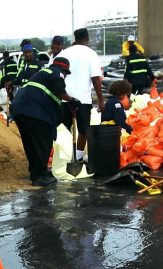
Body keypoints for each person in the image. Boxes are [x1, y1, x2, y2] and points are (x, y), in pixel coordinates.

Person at [13, 57, 77, 186]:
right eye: (66, 73)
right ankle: (39, 177)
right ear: (63, 69)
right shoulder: (56, 73)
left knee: (31, 144)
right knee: (43, 143)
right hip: (34, 111)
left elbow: (52, 98)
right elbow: (60, 90)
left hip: (20, 109)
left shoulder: (41, 74)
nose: (65, 76)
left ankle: (37, 172)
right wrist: (71, 100)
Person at [57, 28, 106, 162]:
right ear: (87, 38)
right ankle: (78, 157)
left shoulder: (64, 53)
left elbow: (54, 74)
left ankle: (64, 158)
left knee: (64, 129)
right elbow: (96, 78)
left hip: (63, 97)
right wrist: (101, 100)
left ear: (75, 38)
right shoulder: (91, 54)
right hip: (82, 99)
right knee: (84, 129)